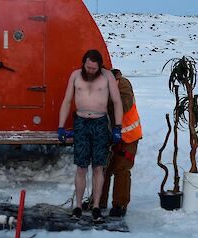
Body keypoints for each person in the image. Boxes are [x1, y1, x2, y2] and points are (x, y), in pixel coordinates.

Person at [57, 50, 123, 222]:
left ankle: (95, 206)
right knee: (81, 167)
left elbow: (117, 102)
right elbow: (66, 101)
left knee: (98, 167)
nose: (91, 70)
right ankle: (78, 206)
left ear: (100, 66)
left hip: (100, 124)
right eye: (88, 67)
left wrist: (117, 127)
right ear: (84, 64)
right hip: (81, 123)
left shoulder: (107, 77)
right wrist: (61, 126)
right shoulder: (76, 76)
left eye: (94, 68)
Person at [100, 68, 142, 217]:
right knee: (103, 169)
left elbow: (122, 106)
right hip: (111, 136)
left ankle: (120, 205)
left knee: (121, 169)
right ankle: (98, 202)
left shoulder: (124, 86)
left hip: (129, 137)